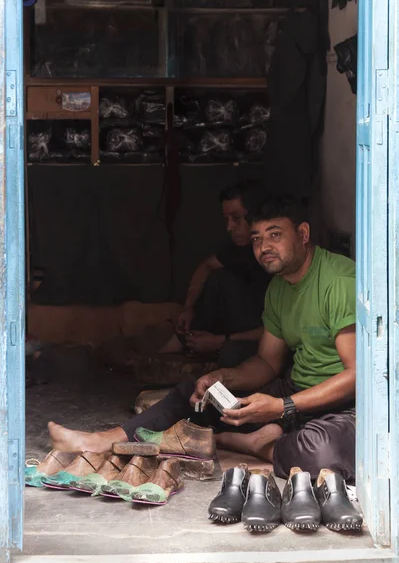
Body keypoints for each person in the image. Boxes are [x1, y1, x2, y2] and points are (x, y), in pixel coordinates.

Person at [48, 195, 356, 481]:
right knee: (192, 398)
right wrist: (224, 377)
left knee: (321, 454)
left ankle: (256, 444)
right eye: (256, 238)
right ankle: (102, 441)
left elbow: (356, 376)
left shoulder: (338, 282)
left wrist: (282, 407)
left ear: (303, 234)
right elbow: (266, 362)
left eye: (275, 235)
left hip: (342, 404)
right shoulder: (278, 287)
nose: (263, 247)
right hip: (294, 393)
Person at [159, 179, 271, 368]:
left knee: (231, 355)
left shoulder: (274, 258)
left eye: (236, 218)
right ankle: (188, 340)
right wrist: (189, 306)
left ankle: (201, 348)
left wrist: (220, 340)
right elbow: (206, 266)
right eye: (226, 219)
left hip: (265, 337)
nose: (229, 227)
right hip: (239, 326)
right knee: (219, 278)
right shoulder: (241, 249)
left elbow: (277, 330)